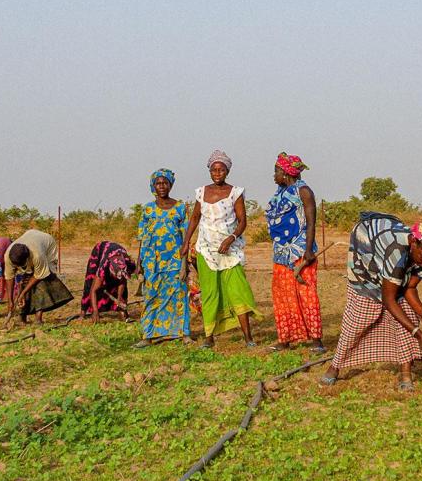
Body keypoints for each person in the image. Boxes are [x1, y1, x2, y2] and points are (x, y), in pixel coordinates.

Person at [320, 215, 422, 392]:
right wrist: (417, 333)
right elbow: (389, 300)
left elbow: (409, 288)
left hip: (393, 260)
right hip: (366, 251)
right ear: (413, 242)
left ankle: (405, 373)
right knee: (362, 316)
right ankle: (335, 366)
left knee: (408, 313)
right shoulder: (395, 250)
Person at [180, 150, 259, 348]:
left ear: (227, 171)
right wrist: (186, 241)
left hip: (229, 251)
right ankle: (209, 337)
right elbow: (195, 218)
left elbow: (242, 221)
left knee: (238, 291)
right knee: (209, 293)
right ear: (209, 171)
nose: (217, 173)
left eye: (221, 169)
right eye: (214, 170)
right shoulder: (201, 192)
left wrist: (231, 239)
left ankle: (248, 337)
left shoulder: (235, 192)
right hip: (206, 250)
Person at [265, 152, 323, 352]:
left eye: (276, 171)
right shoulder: (279, 193)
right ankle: (285, 339)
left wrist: (308, 250)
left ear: (286, 172)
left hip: (300, 251)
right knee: (283, 296)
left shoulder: (304, 191)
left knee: (306, 293)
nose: (274, 175)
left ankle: (316, 340)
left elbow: (310, 221)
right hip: (281, 252)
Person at [136, 168, 191, 345]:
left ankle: (184, 334)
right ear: (153, 186)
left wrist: (184, 264)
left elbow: (185, 240)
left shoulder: (180, 208)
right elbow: (141, 238)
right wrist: (139, 263)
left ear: (170, 185)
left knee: (179, 294)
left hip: (175, 260)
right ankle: (148, 336)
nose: (162, 186)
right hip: (152, 262)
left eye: (165, 183)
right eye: (158, 183)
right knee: (151, 295)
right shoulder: (147, 210)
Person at [4, 229, 74, 324]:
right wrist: (10, 301)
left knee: (42, 283)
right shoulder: (8, 256)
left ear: (27, 258)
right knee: (24, 282)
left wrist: (23, 293)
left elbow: (39, 275)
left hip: (47, 245)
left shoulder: (37, 255)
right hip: (31, 236)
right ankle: (22, 317)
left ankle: (38, 318)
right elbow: (9, 277)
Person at [81, 241, 135, 324]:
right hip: (100, 250)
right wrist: (95, 312)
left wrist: (119, 297)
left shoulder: (127, 263)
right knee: (90, 281)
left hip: (116, 253)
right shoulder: (103, 267)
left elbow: (122, 282)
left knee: (122, 291)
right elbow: (93, 290)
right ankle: (82, 313)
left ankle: (122, 312)